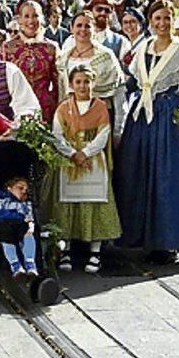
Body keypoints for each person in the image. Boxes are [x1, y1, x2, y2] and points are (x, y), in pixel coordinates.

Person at [115, 1, 179, 262]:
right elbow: (133, 82)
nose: (161, 24)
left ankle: (168, 240)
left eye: (166, 19)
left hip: (168, 116)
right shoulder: (144, 47)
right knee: (138, 172)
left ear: (173, 21)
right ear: (150, 20)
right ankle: (138, 235)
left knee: (167, 176)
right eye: (157, 18)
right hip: (142, 118)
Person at [50, 67, 122, 274]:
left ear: (93, 83)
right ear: (72, 85)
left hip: (93, 160)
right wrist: (73, 154)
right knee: (68, 203)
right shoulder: (63, 108)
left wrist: (86, 153)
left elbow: (103, 134)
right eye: (78, 82)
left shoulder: (100, 107)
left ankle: (95, 252)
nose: (83, 86)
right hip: (69, 160)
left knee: (95, 202)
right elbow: (57, 135)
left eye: (87, 82)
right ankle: (66, 250)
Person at [56, 12, 126, 138]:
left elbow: (119, 94)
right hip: (71, 117)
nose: (83, 29)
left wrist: (118, 130)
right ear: (72, 29)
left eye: (87, 26)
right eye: (79, 25)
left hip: (99, 117)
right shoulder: (63, 58)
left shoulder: (106, 56)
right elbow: (62, 93)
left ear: (93, 29)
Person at [0, 0, 59, 122]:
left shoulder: (51, 48)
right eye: (26, 16)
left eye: (35, 16)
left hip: (45, 110)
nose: (31, 21)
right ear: (19, 20)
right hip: (16, 109)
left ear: (41, 19)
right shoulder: (7, 48)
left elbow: (59, 84)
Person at [0, 176, 39, 278]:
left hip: (19, 223)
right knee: (5, 236)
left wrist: (30, 223)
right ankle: (16, 265)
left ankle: (30, 264)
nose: (24, 191)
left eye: (26, 189)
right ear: (9, 188)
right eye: (20, 188)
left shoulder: (26, 203)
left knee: (28, 232)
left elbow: (30, 217)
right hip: (1, 223)